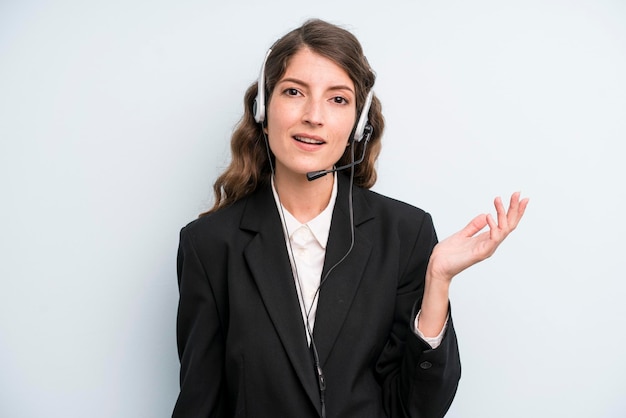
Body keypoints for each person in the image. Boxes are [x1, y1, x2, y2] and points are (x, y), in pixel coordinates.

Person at [173, 19, 528, 418]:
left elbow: (416, 408)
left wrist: (437, 281)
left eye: (337, 100)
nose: (313, 116)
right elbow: (199, 404)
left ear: (358, 124)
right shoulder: (208, 245)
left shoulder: (406, 234)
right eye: (293, 92)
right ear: (263, 108)